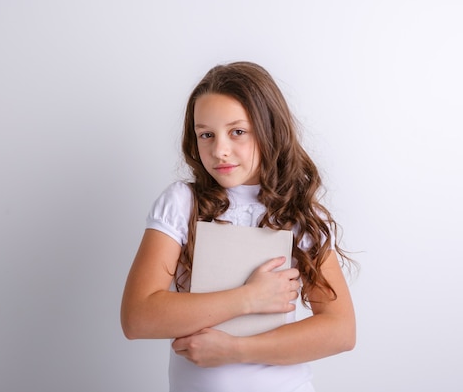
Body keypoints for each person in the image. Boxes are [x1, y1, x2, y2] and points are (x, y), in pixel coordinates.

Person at [121, 61, 356, 392]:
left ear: (269, 130)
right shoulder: (182, 203)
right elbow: (137, 317)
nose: (219, 150)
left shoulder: (295, 212)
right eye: (206, 134)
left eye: (238, 132)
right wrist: (248, 298)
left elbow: (340, 331)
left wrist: (234, 350)